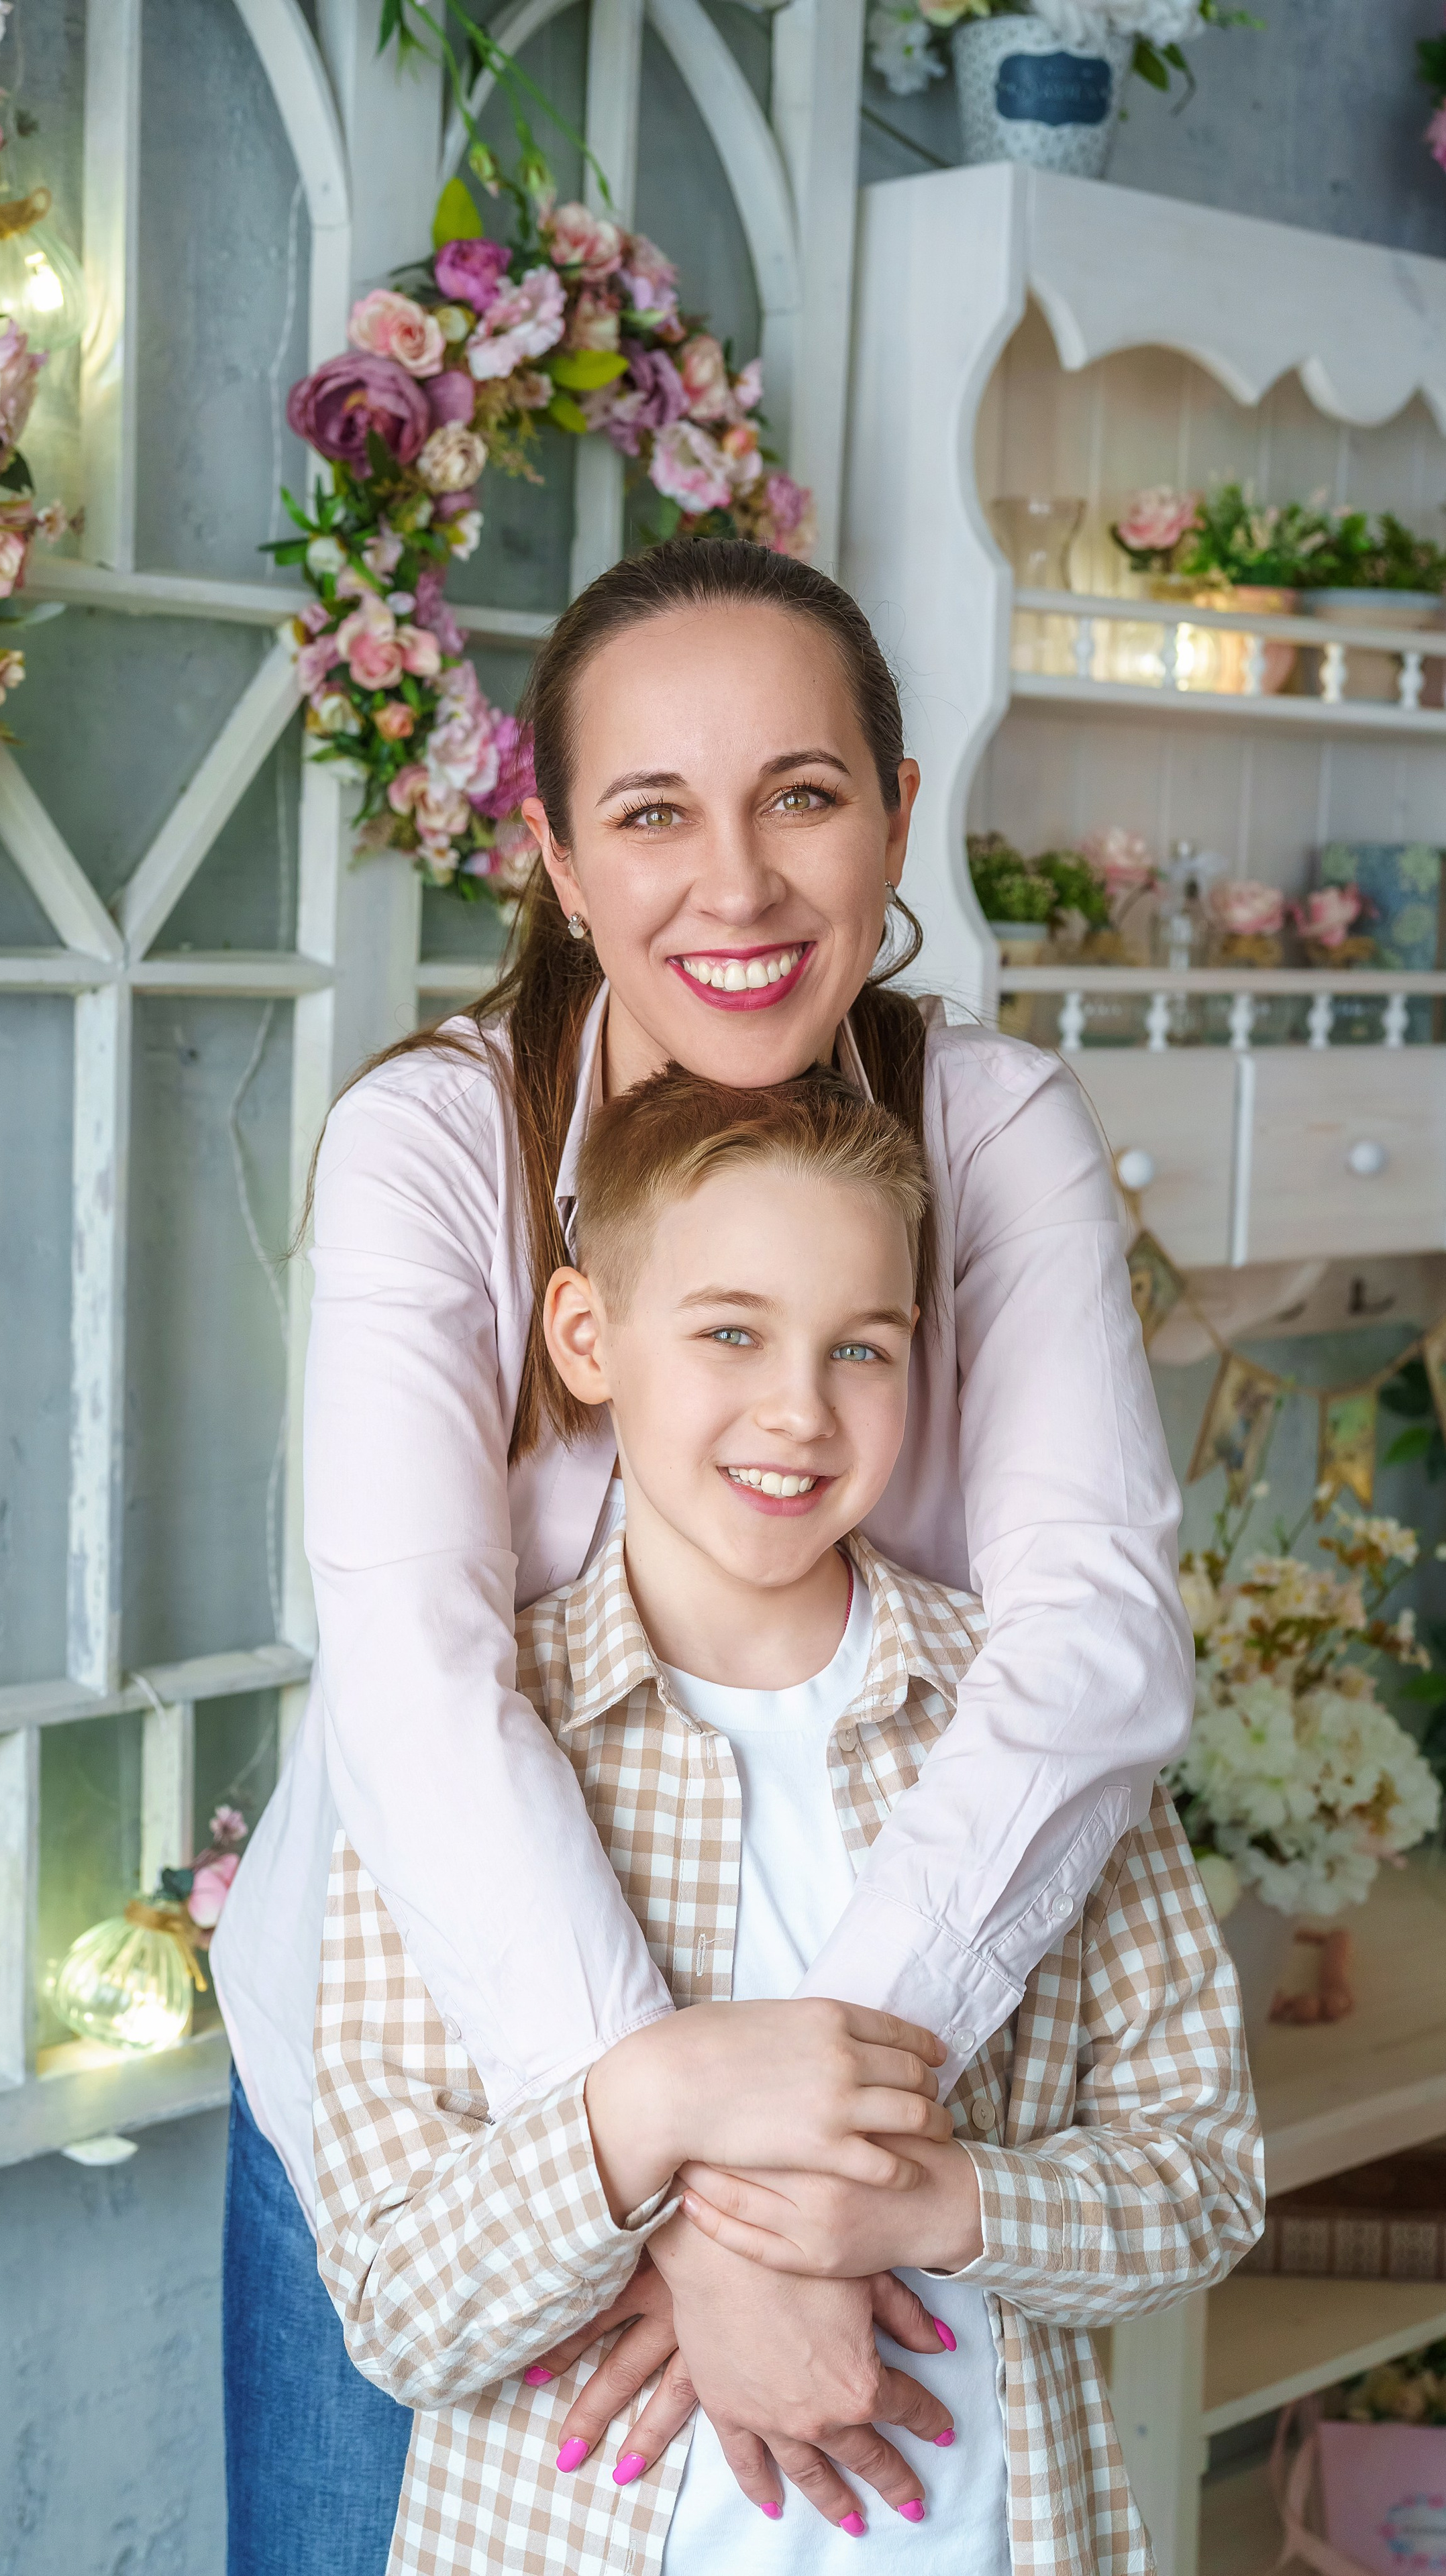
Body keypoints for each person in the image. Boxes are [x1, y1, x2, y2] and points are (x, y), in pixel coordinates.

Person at [212, 538, 1194, 2575]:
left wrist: (794, 2157)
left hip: (879, 2115)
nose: (734, 887)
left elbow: (1089, 1647)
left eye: (800, 797)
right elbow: (417, 1676)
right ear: (559, 859)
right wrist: (663, 2159)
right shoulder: (438, 1145)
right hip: (451, 2101)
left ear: (896, 814)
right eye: (652, 813)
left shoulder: (992, 1129)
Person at [308, 1065, 1262, 2573]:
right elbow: (398, 2307)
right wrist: (645, 2111)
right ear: (585, 1336)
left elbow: (1203, 2185)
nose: (800, 1412)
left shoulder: (1028, 1729)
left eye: (861, 1348)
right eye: (730, 1333)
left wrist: (941, 2205)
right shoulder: (467, 1756)